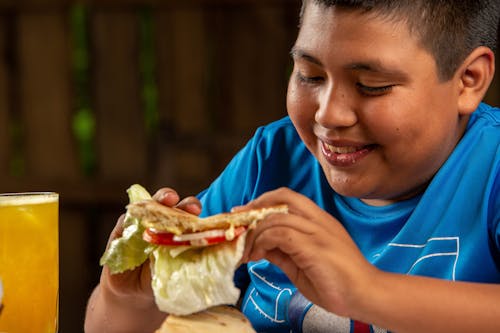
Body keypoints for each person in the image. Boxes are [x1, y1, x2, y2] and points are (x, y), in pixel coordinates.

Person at [84, 0, 500, 332]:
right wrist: (129, 297)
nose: (329, 115)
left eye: (372, 87)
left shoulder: (493, 168)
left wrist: (367, 291)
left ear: (469, 80)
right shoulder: (271, 160)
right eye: (310, 75)